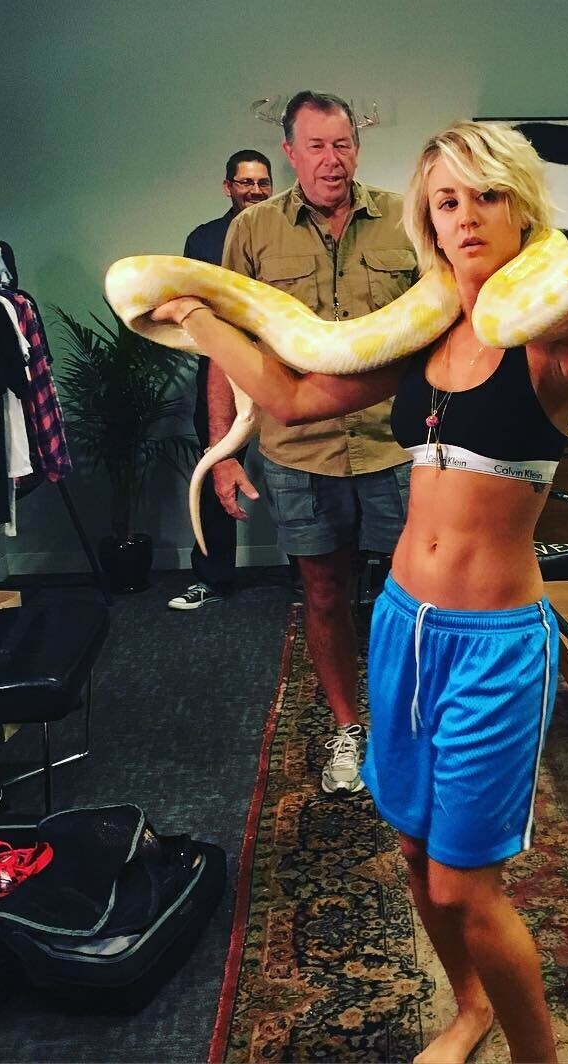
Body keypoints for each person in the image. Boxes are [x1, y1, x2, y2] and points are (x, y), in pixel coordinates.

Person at [152, 120, 568, 1064]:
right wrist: (201, 322)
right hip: (402, 624)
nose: (466, 216)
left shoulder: (542, 333)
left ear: (522, 207)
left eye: (486, 195)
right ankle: (469, 1009)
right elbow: (293, 397)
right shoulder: (421, 331)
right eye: (447, 201)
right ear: (428, 218)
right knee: (414, 851)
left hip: (495, 641)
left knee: (465, 886)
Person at [212, 91, 416, 796]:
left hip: (396, 445)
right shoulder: (252, 232)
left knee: (414, 595)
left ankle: (406, 726)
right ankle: (347, 727)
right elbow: (226, 351)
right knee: (323, 592)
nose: (333, 160)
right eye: (317, 147)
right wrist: (225, 452)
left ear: (357, 147)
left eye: (343, 144)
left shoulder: (407, 218)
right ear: (290, 153)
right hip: (298, 451)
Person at [169, 149, 273, 612]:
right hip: (220, 373)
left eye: (263, 182)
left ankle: (308, 577)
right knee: (218, 467)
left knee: (303, 472)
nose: (255, 191)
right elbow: (191, 309)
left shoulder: (286, 234)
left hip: (283, 370)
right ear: (228, 186)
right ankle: (212, 579)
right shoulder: (204, 239)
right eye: (245, 182)